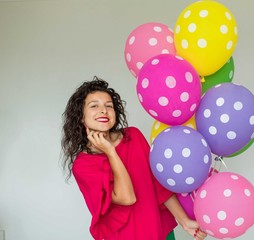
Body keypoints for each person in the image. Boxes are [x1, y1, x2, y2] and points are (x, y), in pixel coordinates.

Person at [61, 76, 207, 240]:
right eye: (94, 106)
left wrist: (184, 221)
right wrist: (110, 152)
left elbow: (158, 185)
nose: (103, 110)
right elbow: (127, 198)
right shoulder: (83, 165)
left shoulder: (133, 136)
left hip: (157, 229)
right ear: (81, 117)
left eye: (109, 106)